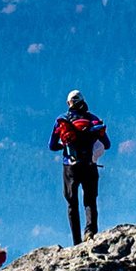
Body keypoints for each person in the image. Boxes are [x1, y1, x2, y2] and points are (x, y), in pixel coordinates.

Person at [50, 90, 111, 244]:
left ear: (68, 103)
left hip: (70, 165)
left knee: (72, 203)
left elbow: (51, 145)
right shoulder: (93, 120)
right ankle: (90, 232)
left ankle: (76, 241)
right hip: (90, 164)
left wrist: (63, 146)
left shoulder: (62, 120)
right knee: (90, 200)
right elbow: (107, 144)